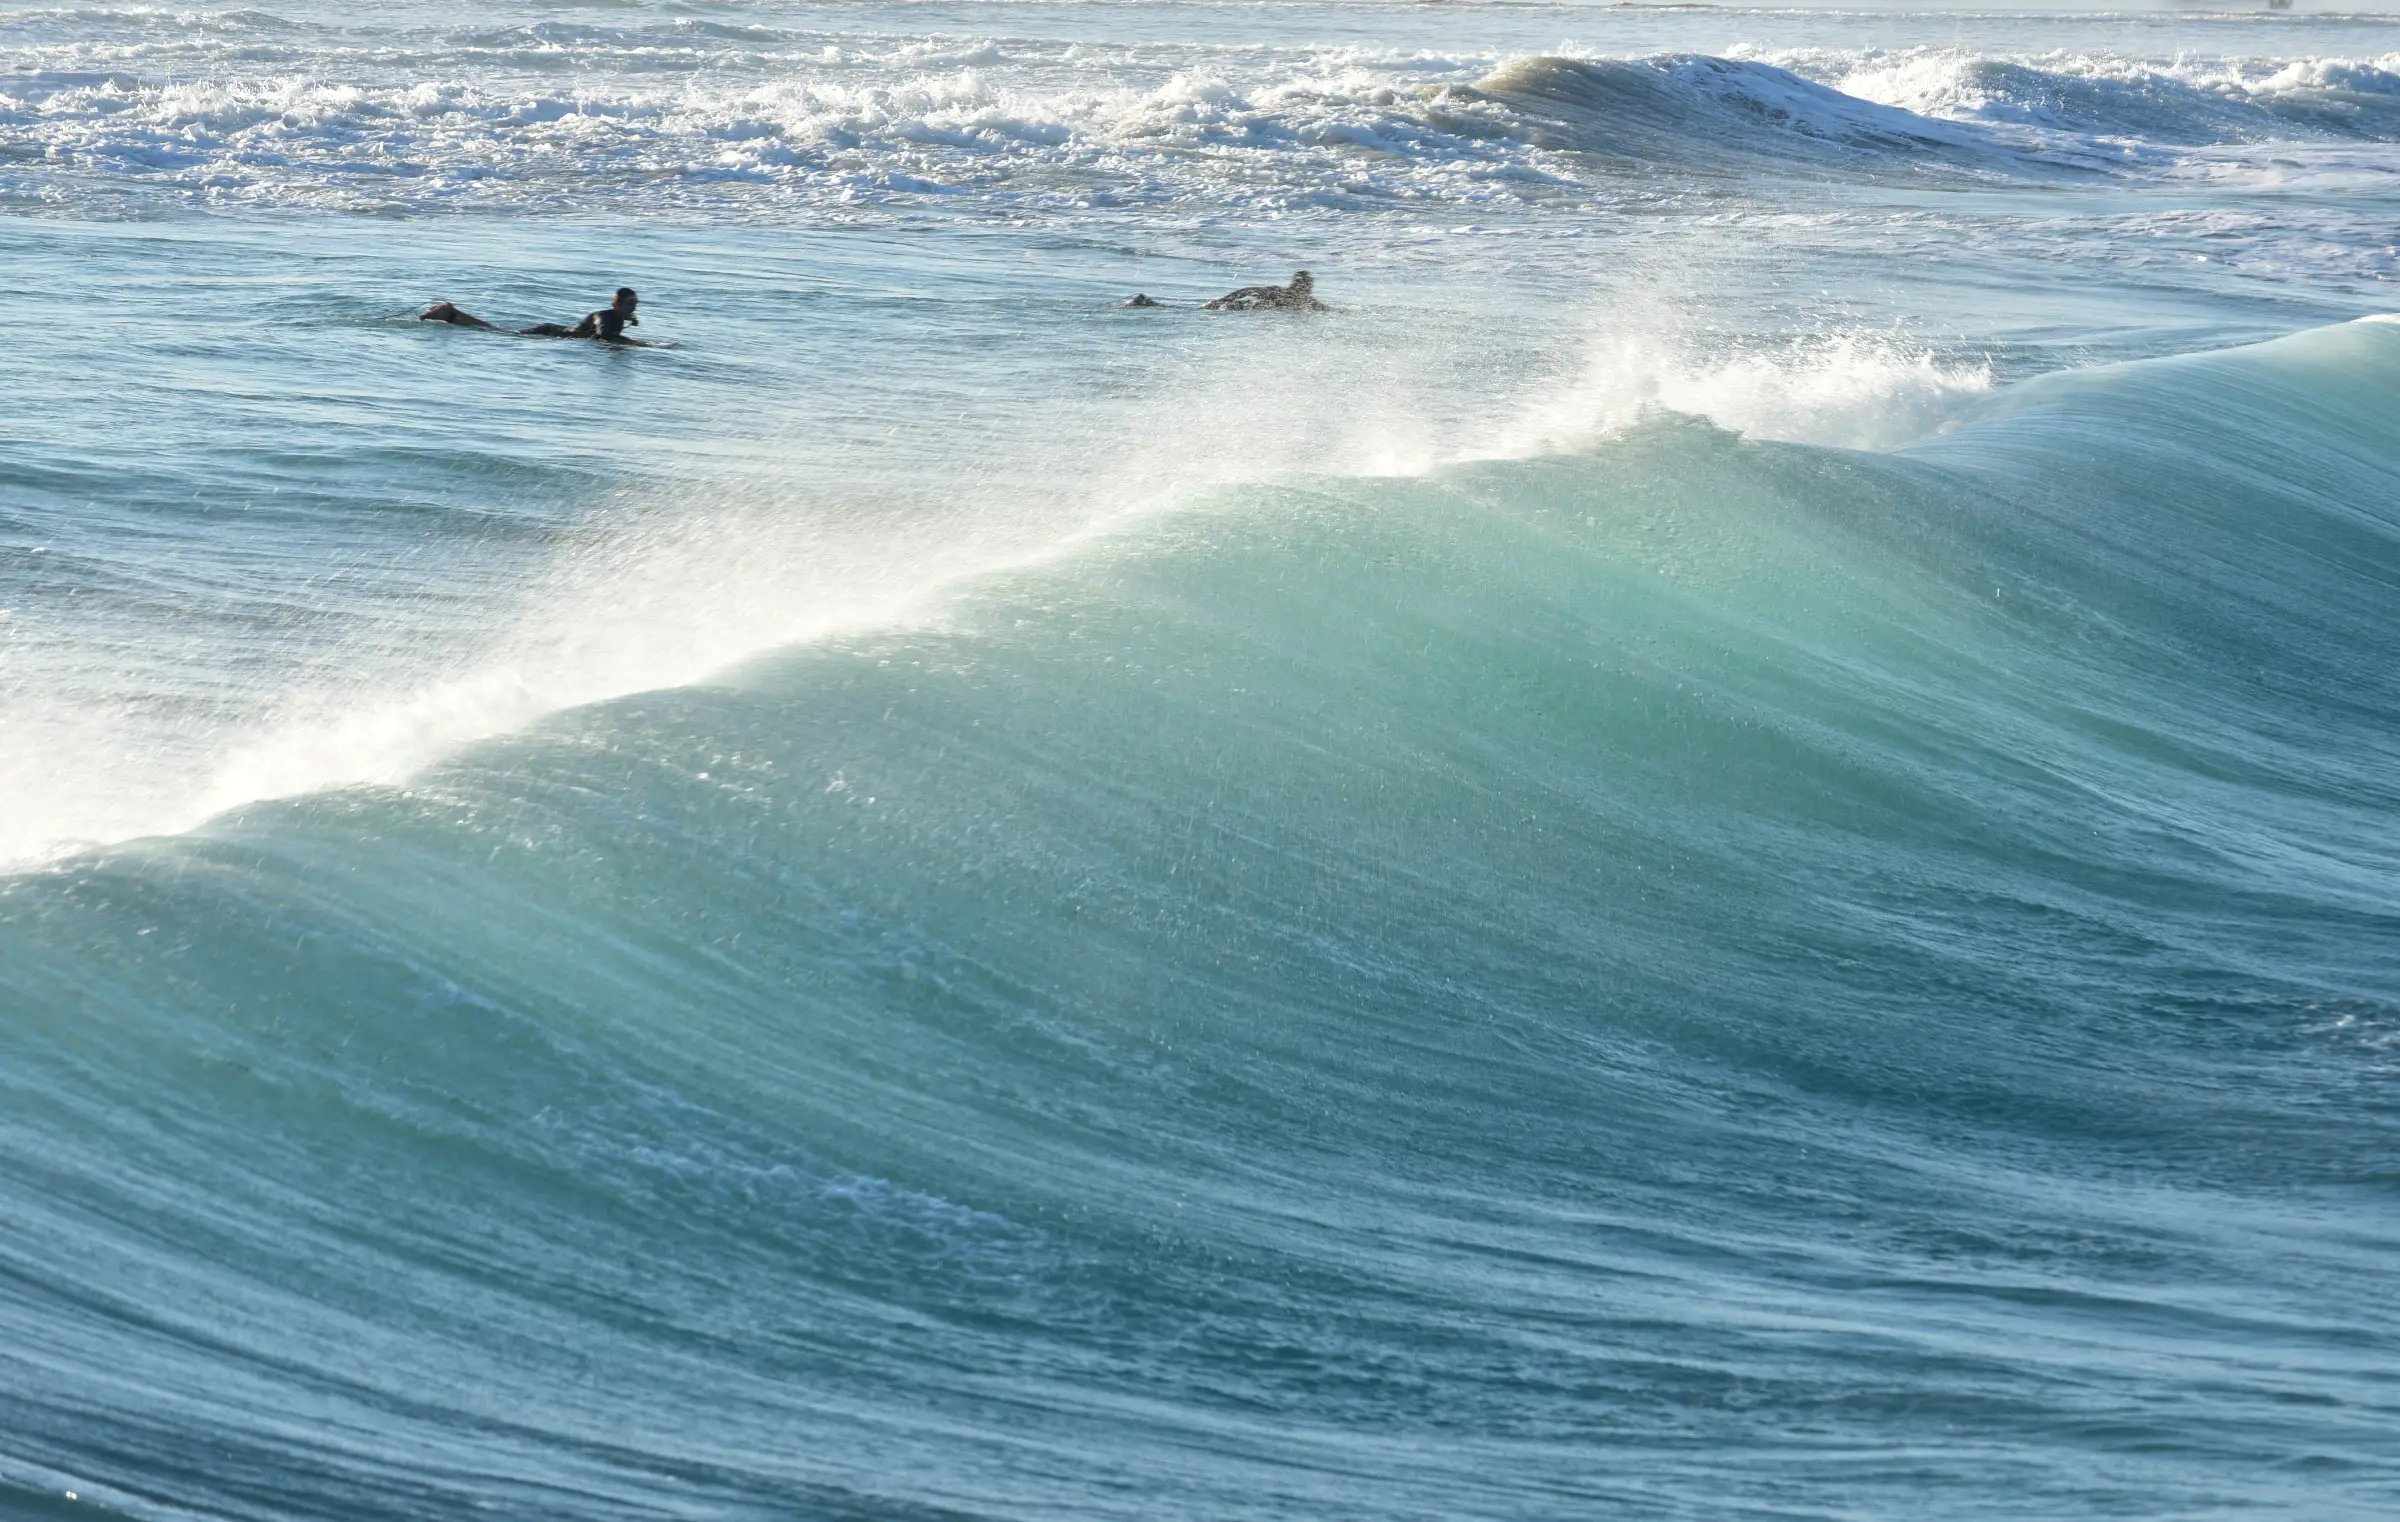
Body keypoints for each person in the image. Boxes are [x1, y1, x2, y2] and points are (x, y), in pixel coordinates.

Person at [420, 287, 646, 343]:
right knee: (498, 333)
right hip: (549, 333)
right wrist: (639, 344)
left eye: (635, 304)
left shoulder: (615, 318)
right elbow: (605, 336)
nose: (633, 309)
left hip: (554, 333)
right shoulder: (605, 316)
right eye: (629, 304)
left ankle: (450, 315)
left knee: (494, 331)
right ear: (616, 304)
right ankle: (451, 312)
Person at [1202, 270, 1324, 312]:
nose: (1309, 289)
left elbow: (1327, 310)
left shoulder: (1308, 302)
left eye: (1310, 286)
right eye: (1307, 286)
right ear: (1296, 284)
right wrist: (1222, 300)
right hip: (1245, 310)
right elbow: (1247, 291)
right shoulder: (1278, 292)